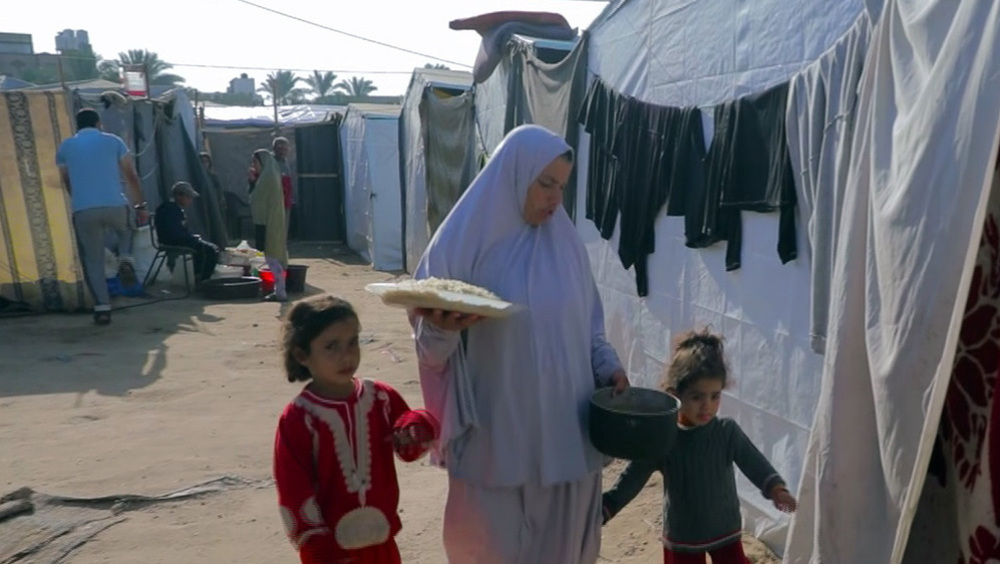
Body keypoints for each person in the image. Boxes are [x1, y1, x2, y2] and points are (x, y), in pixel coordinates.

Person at [409, 125, 630, 563]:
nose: (554, 198)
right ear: (513, 174)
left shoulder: (566, 246)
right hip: (497, 438)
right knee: (490, 546)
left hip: (567, 433)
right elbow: (429, 351)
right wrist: (446, 327)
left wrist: (609, 367)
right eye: (545, 183)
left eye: (562, 187)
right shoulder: (462, 244)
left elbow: (591, 330)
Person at [601, 329, 798, 564]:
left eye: (715, 396)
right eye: (697, 397)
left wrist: (776, 489)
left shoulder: (726, 432)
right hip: (683, 536)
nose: (707, 406)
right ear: (675, 394)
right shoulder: (664, 439)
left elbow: (753, 462)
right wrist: (609, 505)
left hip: (725, 530)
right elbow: (634, 476)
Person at [274, 295, 439, 564]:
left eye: (353, 342)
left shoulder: (381, 397)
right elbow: (294, 490)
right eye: (331, 346)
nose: (346, 355)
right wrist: (318, 546)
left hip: (381, 543)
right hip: (331, 551)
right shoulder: (298, 418)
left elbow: (410, 442)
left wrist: (415, 429)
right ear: (301, 355)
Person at [57, 107, 148, 325]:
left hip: (84, 210)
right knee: (127, 228)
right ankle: (125, 257)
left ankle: (102, 308)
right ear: (99, 123)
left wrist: (79, 199)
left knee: (93, 260)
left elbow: (66, 180)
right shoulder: (114, 141)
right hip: (115, 205)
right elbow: (131, 176)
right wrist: (140, 205)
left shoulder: (65, 147)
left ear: (77, 125)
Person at [154, 182, 220, 283]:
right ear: (178, 196)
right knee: (212, 250)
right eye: (188, 197)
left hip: (176, 239)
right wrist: (191, 238)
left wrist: (191, 237)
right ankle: (204, 280)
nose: (191, 200)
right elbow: (175, 234)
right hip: (172, 242)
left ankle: (197, 276)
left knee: (202, 249)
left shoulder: (172, 208)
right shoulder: (170, 210)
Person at [249, 149, 288, 301]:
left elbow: (255, 199)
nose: (254, 165)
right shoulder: (270, 175)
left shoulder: (266, 178)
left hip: (268, 222)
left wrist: (252, 182)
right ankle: (279, 290)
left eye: (255, 162)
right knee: (274, 255)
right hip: (273, 220)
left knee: (272, 256)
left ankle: (281, 292)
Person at [272, 137, 294, 237]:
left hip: (285, 199)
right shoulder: (270, 162)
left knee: (284, 226)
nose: (282, 152)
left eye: (284, 149)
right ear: (274, 149)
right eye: (279, 149)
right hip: (275, 199)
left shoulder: (285, 161)